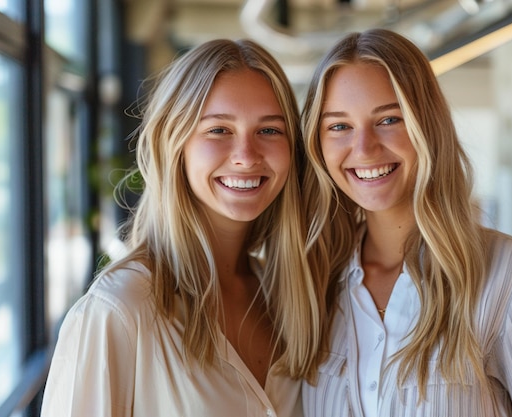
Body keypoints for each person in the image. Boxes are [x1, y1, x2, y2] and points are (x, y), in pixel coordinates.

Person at [300, 28, 512, 417]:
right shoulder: (313, 282)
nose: (363, 148)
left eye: (389, 119)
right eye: (339, 126)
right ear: (317, 142)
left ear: (427, 125)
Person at [41, 38, 323, 417]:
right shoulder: (119, 311)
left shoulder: (286, 299)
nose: (246, 156)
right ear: (174, 144)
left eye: (269, 130)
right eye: (219, 130)